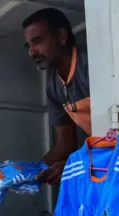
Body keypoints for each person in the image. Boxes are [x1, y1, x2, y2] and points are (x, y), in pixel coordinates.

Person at [23, 7, 91, 185]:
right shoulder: (53, 85)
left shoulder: (91, 64)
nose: (31, 52)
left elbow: (116, 132)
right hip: (99, 161)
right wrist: (30, 172)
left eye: (37, 41)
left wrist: (71, 166)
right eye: (28, 45)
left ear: (61, 37)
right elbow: (65, 144)